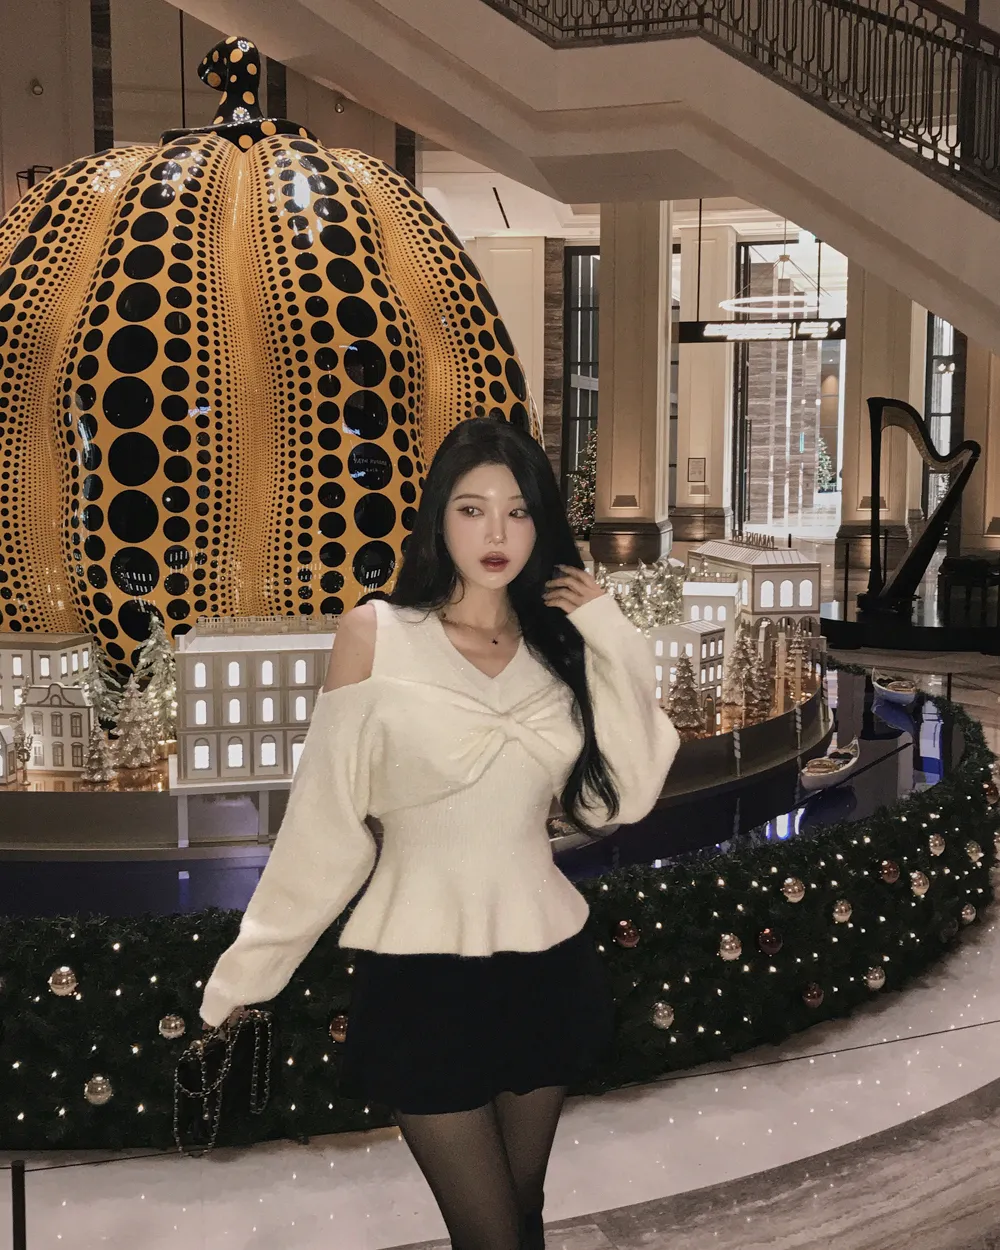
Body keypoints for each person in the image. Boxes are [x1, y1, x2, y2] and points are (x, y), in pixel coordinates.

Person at [199, 416, 680, 1250]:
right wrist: (247, 976)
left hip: (545, 965)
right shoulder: (376, 636)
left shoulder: (558, 649)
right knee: (489, 1233)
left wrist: (613, 637)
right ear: (438, 519)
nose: (497, 534)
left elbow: (623, 799)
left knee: (521, 1215)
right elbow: (325, 826)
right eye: (472, 509)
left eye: (518, 511)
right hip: (419, 980)